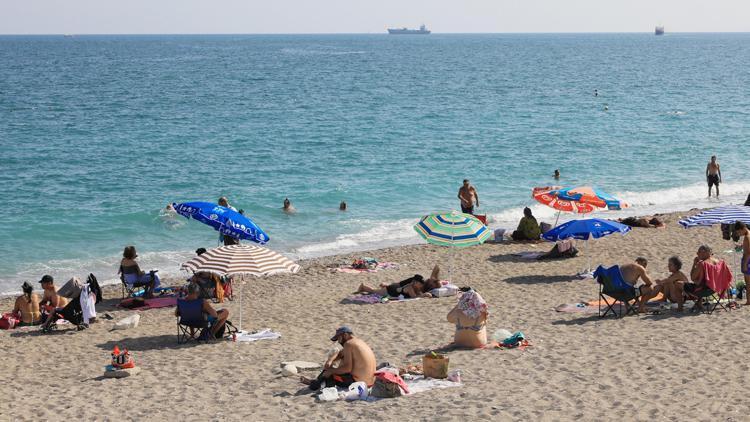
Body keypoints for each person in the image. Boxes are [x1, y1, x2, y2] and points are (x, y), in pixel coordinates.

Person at [301, 326, 377, 390]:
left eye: (339, 338)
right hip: (371, 382)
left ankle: (317, 385)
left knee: (330, 374)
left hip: (358, 383)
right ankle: (316, 382)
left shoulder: (348, 344)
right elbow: (340, 353)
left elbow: (347, 369)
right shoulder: (358, 342)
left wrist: (331, 371)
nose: (339, 342)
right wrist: (330, 360)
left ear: (345, 335)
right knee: (330, 370)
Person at [356, 269, 440, 299]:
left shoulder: (417, 286)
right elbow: (414, 297)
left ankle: (382, 286)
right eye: (419, 283)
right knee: (374, 291)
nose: (421, 285)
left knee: (376, 291)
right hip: (391, 290)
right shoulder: (411, 287)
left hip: (395, 288)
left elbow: (419, 292)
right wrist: (424, 295)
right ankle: (363, 286)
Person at [686, 245, 721, 311]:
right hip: (716, 288)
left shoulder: (702, 264)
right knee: (701, 281)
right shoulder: (718, 262)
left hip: (705, 290)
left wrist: (694, 264)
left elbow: (692, 277)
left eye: (698, 252)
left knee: (683, 285)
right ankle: (699, 303)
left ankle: (680, 307)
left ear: (705, 252)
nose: (697, 254)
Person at [734, 222, 750, 305]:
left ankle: (748, 301)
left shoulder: (747, 237)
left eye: (739, 232)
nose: (739, 234)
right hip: (748, 260)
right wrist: (741, 246)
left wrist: (744, 265)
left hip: (748, 261)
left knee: (748, 282)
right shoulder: (748, 234)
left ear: (743, 228)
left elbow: (748, 253)